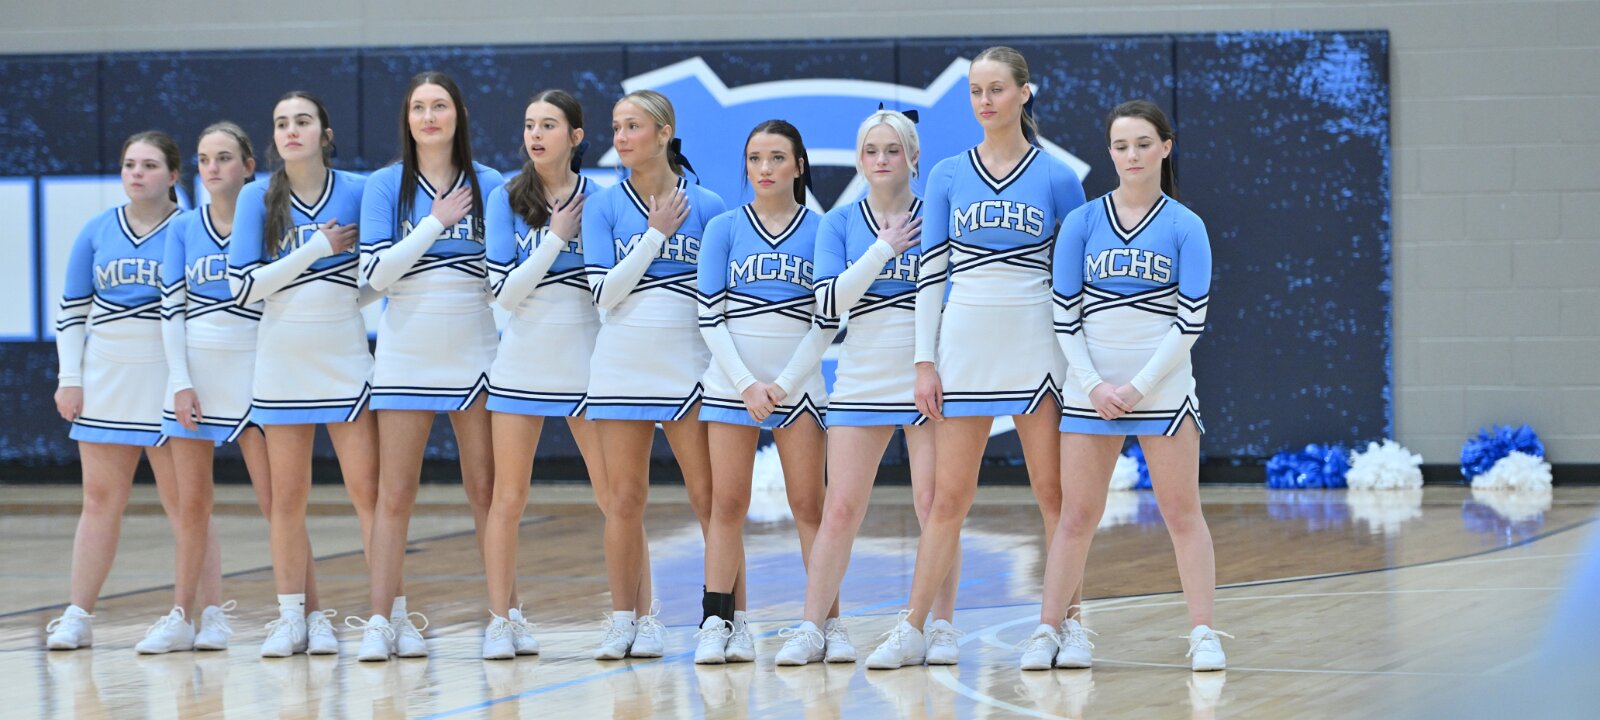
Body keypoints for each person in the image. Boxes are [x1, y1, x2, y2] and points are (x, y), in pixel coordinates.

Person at [868, 46, 1087, 670]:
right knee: (947, 500)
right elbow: (930, 276)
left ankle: (1067, 627)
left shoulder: (1057, 177)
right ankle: (914, 628)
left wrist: (1081, 363)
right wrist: (924, 361)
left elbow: (1074, 279)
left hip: (1037, 348)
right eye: (975, 91)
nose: (985, 101)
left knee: (1054, 496)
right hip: (964, 347)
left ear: (1024, 93)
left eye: (996, 89)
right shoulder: (946, 175)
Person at [1025, 99, 1223, 672]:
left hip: (1162, 393)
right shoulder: (1083, 223)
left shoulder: (1186, 226)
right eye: (1120, 146)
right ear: (1109, 152)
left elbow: (1190, 320)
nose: (1131, 155)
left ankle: (1204, 633)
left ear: (1166, 147)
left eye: (1142, 144)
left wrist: (1137, 387)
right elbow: (1064, 315)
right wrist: (1093, 385)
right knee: (1075, 518)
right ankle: (1049, 630)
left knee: (1183, 515)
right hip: (1091, 394)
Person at [774, 109, 958, 666]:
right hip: (861, 377)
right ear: (859, 158)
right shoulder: (838, 223)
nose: (881, 160)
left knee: (934, 507)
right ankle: (813, 627)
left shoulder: (939, 218)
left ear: (913, 157)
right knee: (841, 508)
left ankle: (940, 627)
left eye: (893, 150)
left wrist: (930, 364)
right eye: (871, 151)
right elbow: (829, 302)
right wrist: (883, 248)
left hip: (929, 375)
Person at [355, 70, 505, 662]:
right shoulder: (384, 185)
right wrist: (434, 224)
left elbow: (500, 278)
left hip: (476, 350)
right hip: (406, 353)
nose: (428, 117)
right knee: (394, 494)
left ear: (458, 114)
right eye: (419, 107)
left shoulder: (490, 184)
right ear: (408, 119)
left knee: (486, 491)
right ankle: (381, 622)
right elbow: (374, 276)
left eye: (439, 105)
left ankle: (505, 617)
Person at [228, 91, 380, 658]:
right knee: (286, 501)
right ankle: (294, 617)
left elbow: (383, 272)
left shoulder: (360, 191)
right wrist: (316, 249)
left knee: (370, 495)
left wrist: (342, 301)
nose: (292, 130)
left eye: (303, 121)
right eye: (281, 123)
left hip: (345, 363)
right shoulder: (255, 197)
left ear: (326, 133)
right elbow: (243, 287)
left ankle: (387, 617)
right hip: (282, 365)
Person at [581, 89, 726, 660]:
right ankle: (627, 621)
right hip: (621, 366)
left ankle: (723, 620)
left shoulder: (709, 206)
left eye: (633, 126)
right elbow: (603, 293)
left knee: (711, 501)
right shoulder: (603, 206)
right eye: (616, 127)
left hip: (690, 369)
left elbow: (719, 298)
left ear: (665, 133)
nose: (621, 137)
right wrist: (655, 235)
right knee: (623, 500)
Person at [694, 119, 835, 664]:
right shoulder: (724, 228)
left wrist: (782, 385)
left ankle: (825, 625)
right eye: (755, 159)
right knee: (727, 505)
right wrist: (747, 385)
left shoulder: (823, 229)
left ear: (799, 166)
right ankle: (720, 623)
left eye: (777, 158)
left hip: (798, 389)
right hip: (733, 386)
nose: (765, 169)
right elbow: (709, 316)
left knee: (809, 507)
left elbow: (827, 321)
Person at [480, 89, 613, 659]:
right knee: (507, 498)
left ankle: (635, 616)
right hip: (522, 363)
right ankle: (501, 619)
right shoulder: (504, 198)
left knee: (616, 499)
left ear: (576, 136)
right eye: (530, 124)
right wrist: (556, 237)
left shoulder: (604, 199)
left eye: (549, 125)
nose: (536, 134)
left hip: (587, 361)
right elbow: (504, 294)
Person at [46, 131, 189, 651]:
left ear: (173, 175)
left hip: (170, 379)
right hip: (107, 376)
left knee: (186, 506)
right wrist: (70, 378)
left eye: (149, 165)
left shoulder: (190, 229)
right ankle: (78, 615)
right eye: (130, 164)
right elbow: (71, 312)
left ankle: (196, 613)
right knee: (100, 500)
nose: (137, 173)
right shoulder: (97, 229)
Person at [140, 122, 269, 654]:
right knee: (190, 506)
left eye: (224, 157)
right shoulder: (183, 227)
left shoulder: (270, 222)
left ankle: (303, 615)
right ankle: (186, 615)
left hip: (256, 374)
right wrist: (180, 382)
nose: (212, 168)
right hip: (196, 375)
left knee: (279, 506)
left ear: (249, 166)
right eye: (204, 159)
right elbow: (171, 311)